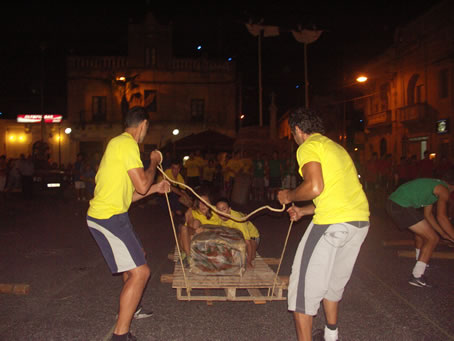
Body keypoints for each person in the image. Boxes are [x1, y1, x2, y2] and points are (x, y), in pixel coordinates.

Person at [277, 107, 370, 341]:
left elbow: (315, 187)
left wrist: (288, 196)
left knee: (301, 293)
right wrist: (303, 210)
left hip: (331, 224)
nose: (294, 138)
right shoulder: (335, 147)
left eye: (293, 133)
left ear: (298, 130)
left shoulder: (308, 146)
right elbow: (334, 195)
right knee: (332, 285)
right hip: (358, 223)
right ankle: (331, 335)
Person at [86, 106, 170, 341]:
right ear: (143, 124)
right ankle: (120, 335)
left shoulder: (118, 144)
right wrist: (153, 162)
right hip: (109, 217)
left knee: (136, 257)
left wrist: (156, 188)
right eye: (147, 128)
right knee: (141, 272)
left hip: (110, 214)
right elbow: (142, 184)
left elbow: (131, 196)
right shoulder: (127, 144)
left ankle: (132, 307)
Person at [386, 173, 454, 288]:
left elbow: (428, 215)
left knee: (422, 234)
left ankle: (421, 260)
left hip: (394, 203)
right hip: (401, 205)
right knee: (432, 238)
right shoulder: (444, 190)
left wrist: (443, 234)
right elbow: (442, 217)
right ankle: (416, 276)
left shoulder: (435, 186)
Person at [178, 186, 221, 267]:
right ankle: (188, 256)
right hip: (195, 237)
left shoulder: (216, 210)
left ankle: (187, 255)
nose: (203, 205)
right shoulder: (194, 211)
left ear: (210, 203)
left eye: (205, 202)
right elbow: (185, 232)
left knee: (194, 224)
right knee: (186, 227)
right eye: (200, 202)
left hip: (209, 238)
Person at [215, 197, 260, 269]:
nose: (221, 212)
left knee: (250, 258)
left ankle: (251, 254)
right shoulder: (217, 216)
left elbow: (247, 243)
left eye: (224, 209)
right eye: (218, 210)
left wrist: (249, 263)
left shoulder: (238, 221)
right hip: (235, 235)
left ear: (229, 209)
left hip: (252, 237)